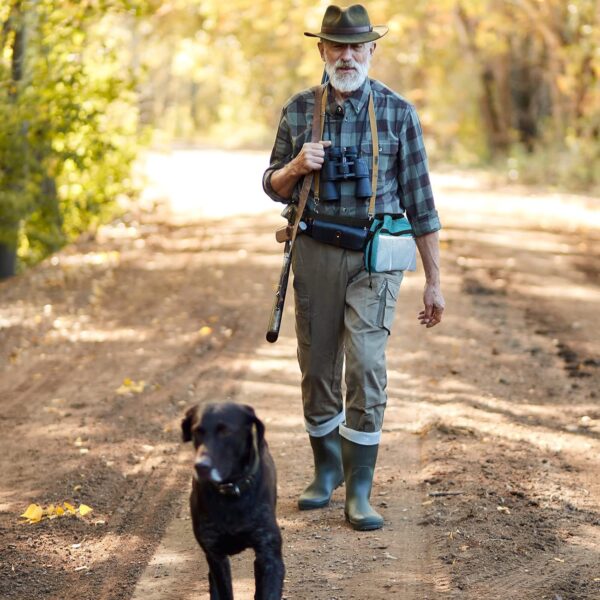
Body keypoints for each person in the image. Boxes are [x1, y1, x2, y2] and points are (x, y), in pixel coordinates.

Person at [263, 4, 445, 531]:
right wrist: (298, 165)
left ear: (371, 51)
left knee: (365, 365)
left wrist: (434, 281)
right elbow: (271, 184)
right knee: (317, 368)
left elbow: (421, 203)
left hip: (374, 257)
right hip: (315, 250)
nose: (346, 56)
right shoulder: (300, 110)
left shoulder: (397, 113)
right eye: (335, 46)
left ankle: (358, 490)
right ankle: (327, 472)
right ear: (321, 50)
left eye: (355, 46)